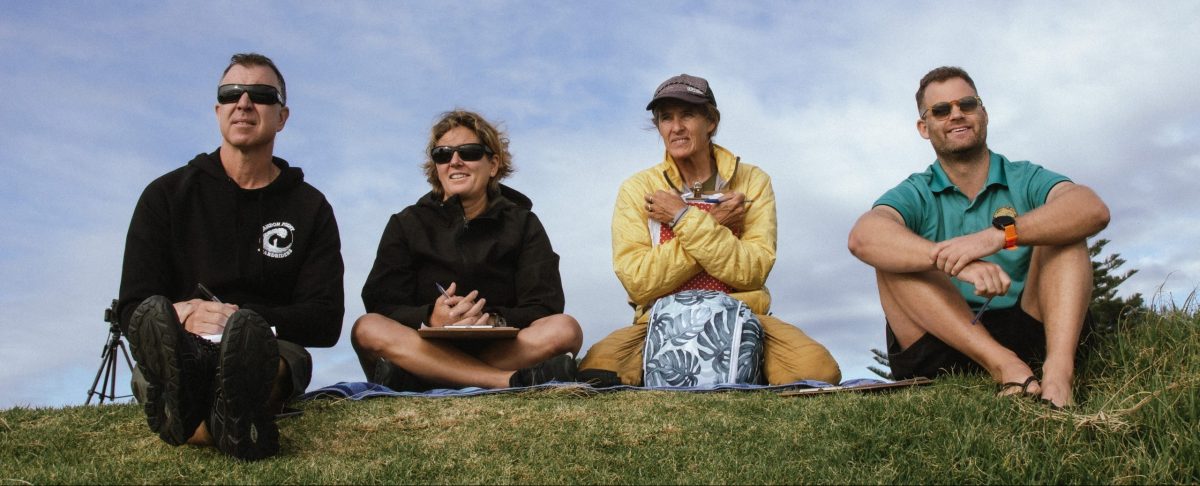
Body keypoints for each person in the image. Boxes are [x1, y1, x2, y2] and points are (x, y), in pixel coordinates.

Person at [117, 53, 344, 460]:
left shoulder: (311, 208)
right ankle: (224, 419)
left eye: (260, 94)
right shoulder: (164, 196)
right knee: (168, 365)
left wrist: (243, 319)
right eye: (231, 93)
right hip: (180, 346)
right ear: (218, 109)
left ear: (282, 116)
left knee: (262, 359)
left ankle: (209, 417)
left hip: (267, 349)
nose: (244, 102)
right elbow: (132, 307)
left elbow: (326, 319)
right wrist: (185, 313)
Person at [847, 66, 1110, 408]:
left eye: (967, 104)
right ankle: (1006, 367)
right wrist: (958, 263)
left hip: (1030, 326)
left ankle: (1058, 377)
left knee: (1065, 231)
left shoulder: (1023, 176)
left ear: (983, 113)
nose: (956, 114)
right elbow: (863, 237)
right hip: (945, 338)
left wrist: (999, 236)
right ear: (924, 128)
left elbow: (1091, 209)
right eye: (941, 110)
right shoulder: (916, 190)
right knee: (891, 260)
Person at [578, 74, 842, 386]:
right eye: (666, 118)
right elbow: (637, 281)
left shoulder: (753, 181)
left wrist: (681, 218)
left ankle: (747, 359)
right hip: (658, 320)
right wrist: (712, 222)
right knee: (597, 369)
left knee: (817, 369)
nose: (676, 127)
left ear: (711, 122)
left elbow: (753, 270)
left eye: (687, 114)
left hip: (745, 314)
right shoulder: (638, 189)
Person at [352, 110, 583, 390]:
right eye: (443, 154)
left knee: (565, 329)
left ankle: (425, 376)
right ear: (436, 166)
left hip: (500, 348)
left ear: (494, 164)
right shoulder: (406, 223)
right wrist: (430, 317)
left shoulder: (523, 223)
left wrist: (490, 319)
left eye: (469, 152)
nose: (455, 161)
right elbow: (381, 302)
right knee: (367, 328)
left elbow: (546, 304)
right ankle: (504, 381)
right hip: (424, 345)